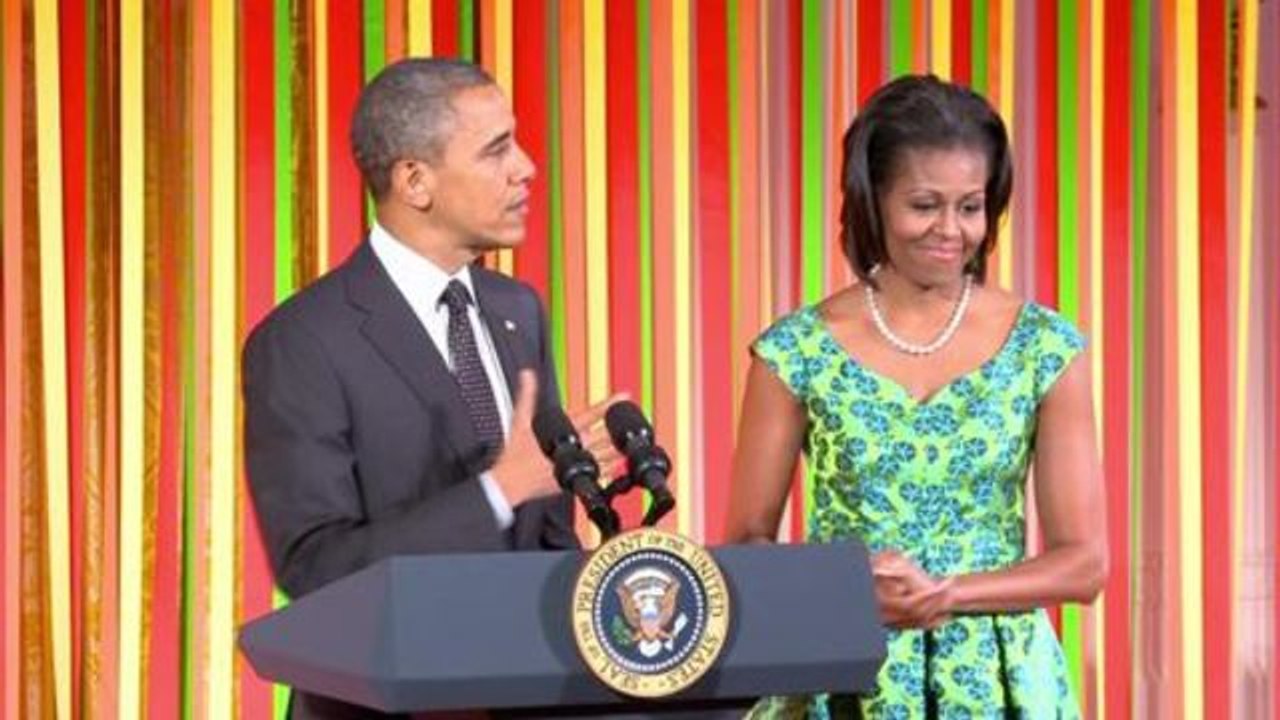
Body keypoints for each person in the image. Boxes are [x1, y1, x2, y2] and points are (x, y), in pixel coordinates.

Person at [242, 58, 621, 719]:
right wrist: (500, 490)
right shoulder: (302, 341)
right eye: (497, 148)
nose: (526, 167)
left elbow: (547, 535)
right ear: (415, 180)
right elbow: (316, 569)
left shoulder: (517, 310)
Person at [726, 75, 1107, 718]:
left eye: (970, 206)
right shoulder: (794, 353)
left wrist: (946, 594)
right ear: (872, 201)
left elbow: (1084, 565)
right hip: (845, 674)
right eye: (925, 204)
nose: (951, 231)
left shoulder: (1044, 347)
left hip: (1002, 685)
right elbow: (744, 548)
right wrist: (847, 585)